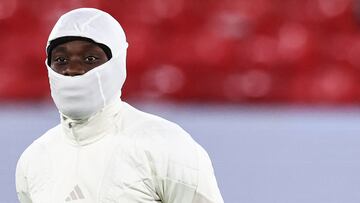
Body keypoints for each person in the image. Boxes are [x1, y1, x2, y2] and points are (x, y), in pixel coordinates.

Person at [15, 8, 224, 203]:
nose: (73, 69)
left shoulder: (168, 145)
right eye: (60, 59)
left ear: (116, 63)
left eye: (90, 58)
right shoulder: (33, 160)